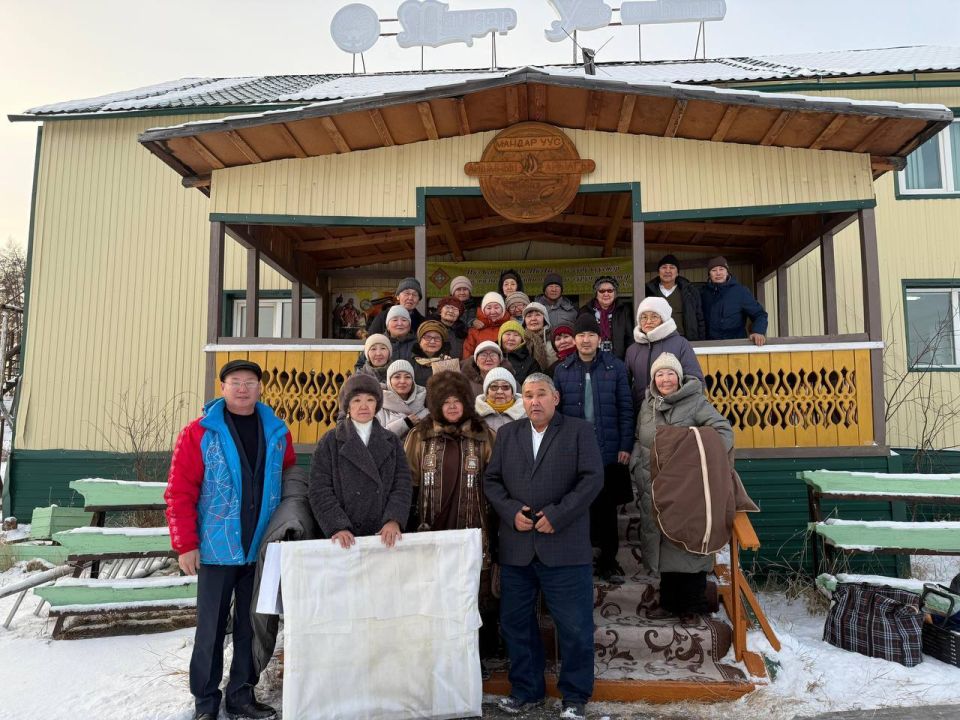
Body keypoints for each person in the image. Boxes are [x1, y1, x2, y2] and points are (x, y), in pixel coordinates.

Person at [165, 359, 297, 720]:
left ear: (260, 388)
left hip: (261, 548)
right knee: (210, 630)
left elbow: (289, 481)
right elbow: (179, 491)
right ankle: (206, 702)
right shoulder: (199, 433)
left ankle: (241, 695)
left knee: (251, 628)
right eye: (235, 381)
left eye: (250, 382)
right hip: (215, 549)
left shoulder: (277, 432)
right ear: (222, 387)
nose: (242, 388)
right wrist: (185, 544)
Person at [483, 373, 603, 720]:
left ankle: (575, 697)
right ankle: (526, 691)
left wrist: (559, 515)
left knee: (575, 627)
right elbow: (492, 481)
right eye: (528, 395)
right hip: (518, 548)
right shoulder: (508, 434)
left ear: (556, 398)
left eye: (541, 394)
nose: (534, 401)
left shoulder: (579, 431)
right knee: (516, 624)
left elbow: (592, 479)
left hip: (564, 547)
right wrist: (510, 512)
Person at [629, 353, 736, 620]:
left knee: (687, 543)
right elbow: (640, 439)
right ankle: (669, 602)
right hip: (653, 485)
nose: (665, 379)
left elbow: (723, 432)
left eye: (670, 374)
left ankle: (692, 606)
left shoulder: (695, 402)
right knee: (664, 543)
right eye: (659, 374)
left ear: (679, 377)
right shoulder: (648, 405)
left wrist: (692, 459)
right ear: (653, 379)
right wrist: (635, 464)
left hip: (687, 487)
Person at [403, 371, 498, 659]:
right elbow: (409, 482)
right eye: (446, 401)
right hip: (431, 528)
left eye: (457, 400)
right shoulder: (419, 435)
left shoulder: (484, 434)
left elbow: (497, 480)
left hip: (475, 527)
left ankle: (476, 656)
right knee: (435, 591)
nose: (453, 406)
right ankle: (436, 655)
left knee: (474, 592)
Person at [553, 314, 634, 584]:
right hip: (576, 452)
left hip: (609, 450)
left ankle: (609, 562)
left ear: (600, 338)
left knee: (607, 509)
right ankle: (583, 560)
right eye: (581, 335)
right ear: (574, 340)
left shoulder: (615, 367)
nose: (586, 340)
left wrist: (625, 445)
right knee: (580, 508)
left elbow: (625, 408)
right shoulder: (562, 370)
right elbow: (557, 415)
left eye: (591, 335)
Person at [308, 373, 412, 549]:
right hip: (343, 539)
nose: (364, 406)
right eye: (356, 400)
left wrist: (393, 520)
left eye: (370, 400)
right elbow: (319, 488)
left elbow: (402, 485)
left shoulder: (392, 441)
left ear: (377, 404)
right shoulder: (330, 441)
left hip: (384, 536)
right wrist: (338, 525)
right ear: (347, 405)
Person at [624, 297, 703, 408]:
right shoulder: (632, 350)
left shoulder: (680, 344)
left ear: (664, 319)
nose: (648, 321)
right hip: (641, 413)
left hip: (674, 411)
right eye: (644, 317)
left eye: (654, 316)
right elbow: (625, 386)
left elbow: (695, 382)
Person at [700, 256, 768, 347]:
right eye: (714, 270)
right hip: (710, 346)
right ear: (709, 274)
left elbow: (759, 314)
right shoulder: (703, 293)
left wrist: (758, 331)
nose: (718, 273)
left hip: (736, 346)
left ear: (727, 272)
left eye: (721, 269)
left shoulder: (740, 292)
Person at [644, 254, 705, 341]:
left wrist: (700, 342)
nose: (667, 271)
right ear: (658, 272)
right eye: (664, 267)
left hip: (683, 340)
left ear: (677, 273)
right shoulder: (648, 291)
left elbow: (700, 319)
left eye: (672, 267)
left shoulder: (690, 291)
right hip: (657, 340)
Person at [579, 275, 633, 360]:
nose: (606, 294)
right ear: (596, 294)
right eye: (602, 291)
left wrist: (627, 360)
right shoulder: (585, 311)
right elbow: (580, 337)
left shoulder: (623, 311)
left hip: (618, 359)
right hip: (592, 359)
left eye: (610, 290)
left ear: (615, 293)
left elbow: (630, 339)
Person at [376, 359, 428, 439]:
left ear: (413, 381)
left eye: (407, 377)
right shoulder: (377, 407)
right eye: (397, 377)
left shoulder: (425, 405)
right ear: (389, 381)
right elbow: (376, 439)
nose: (403, 381)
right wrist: (405, 423)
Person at [474, 366, 526, 433]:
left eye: (505, 387)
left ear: (512, 392)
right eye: (494, 387)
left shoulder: (527, 414)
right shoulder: (475, 415)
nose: (499, 391)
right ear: (487, 392)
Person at [463, 292, 509, 358]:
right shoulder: (474, 330)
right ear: (483, 310)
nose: (493, 312)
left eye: (496, 308)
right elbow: (467, 353)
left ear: (503, 309)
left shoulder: (509, 326)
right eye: (489, 308)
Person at [410, 319, 455, 386]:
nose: (432, 341)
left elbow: (454, 388)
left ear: (442, 342)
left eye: (437, 338)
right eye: (428, 337)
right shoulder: (409, 362)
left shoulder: (448, 361)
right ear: (420, 341)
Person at [499, 319, 541, 386]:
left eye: (516, 335)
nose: (511, 338)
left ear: (522, 340)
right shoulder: (493, 358)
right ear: (500, 337)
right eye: (508, 334)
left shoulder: (530, 363)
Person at [521, 301, 553, 370]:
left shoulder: (554, 339)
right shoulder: (520, 341)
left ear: (545, 318)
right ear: (524, 321)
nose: (533, 319)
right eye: (529, 316)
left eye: (538, 315)